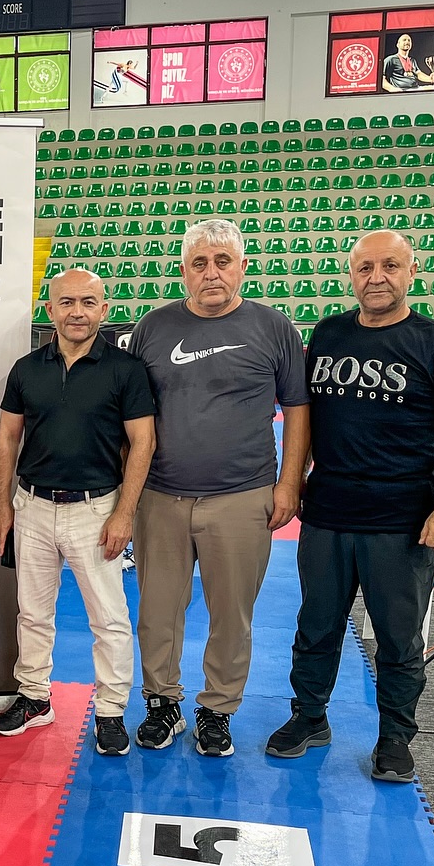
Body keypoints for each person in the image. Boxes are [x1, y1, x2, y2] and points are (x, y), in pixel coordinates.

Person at [266, 230, 434, 783]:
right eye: (365, 267)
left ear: (412, 271)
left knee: (398, 637)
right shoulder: (329, 332)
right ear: (351, 275)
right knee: (316, 625)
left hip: (402, 518)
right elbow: (307, 417)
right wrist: (293, 479)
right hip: (328, 510)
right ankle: (309, 716)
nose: (376, 277)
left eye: (389, 266)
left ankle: (395, 737)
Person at [128, 218, 310, 757]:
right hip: (160, 495)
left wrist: (289, 483)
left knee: (232, 614)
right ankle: (162, 702)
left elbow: (298, 409)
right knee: (157, 611)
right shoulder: (153, 328)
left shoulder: (274, 328)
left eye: (223, 261)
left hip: (242, 496)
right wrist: (126, 497)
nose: (212, 273)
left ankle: (217, 709)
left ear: (243, 267)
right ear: (184, 271)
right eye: (200, 263)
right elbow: (129, 415)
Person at [0, 268, 156, 755]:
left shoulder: (126, 370)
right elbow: (7, 438)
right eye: (66, 302)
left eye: (87, 302)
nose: (77, 312)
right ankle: (34, 697)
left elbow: (143, 442)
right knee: (32, 613)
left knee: (109, 618)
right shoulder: (26, 369)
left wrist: (124, 513)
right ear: (50, 310)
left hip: (96, 509)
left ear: (104, 309)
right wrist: (2, 507)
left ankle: (110, 710)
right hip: (33, 506)